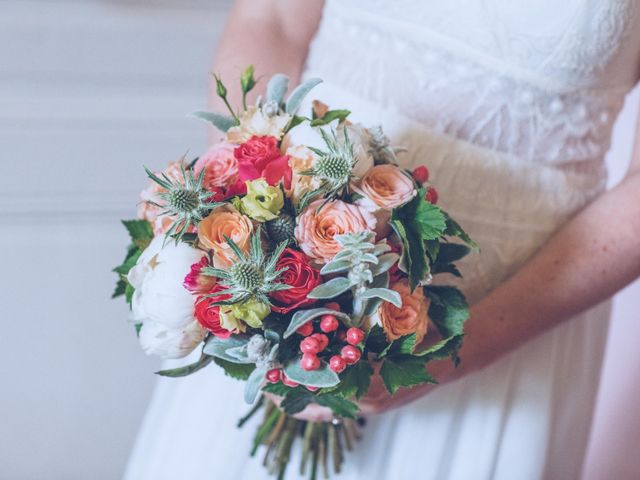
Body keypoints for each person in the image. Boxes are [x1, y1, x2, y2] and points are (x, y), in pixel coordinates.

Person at [125, 1, 640, 478]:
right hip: (275, 274)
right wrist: (247, 204)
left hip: (511, 320)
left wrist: (451, 353)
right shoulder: (262, 250)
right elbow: (273, 18)